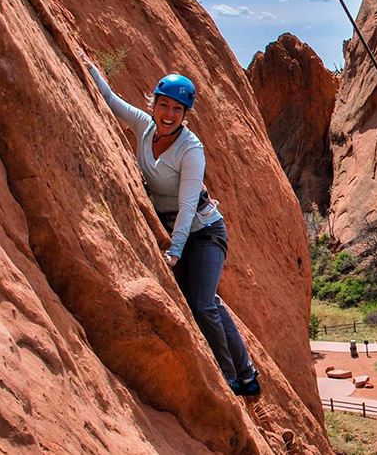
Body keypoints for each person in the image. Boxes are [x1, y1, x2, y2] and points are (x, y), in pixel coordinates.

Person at [81, 52, 261, 397]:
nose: (168, 114)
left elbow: (188, 203)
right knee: (208, 303)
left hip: (205, 232)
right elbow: (110, 100)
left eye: (177, 110)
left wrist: (175, 249)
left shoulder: (191, 149)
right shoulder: (144, 126)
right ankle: (248, 372)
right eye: (164, 105)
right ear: (154, 104)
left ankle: (231, 375)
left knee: (202, 303)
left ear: (185, 115)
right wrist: (88, 67)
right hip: (174, 229)